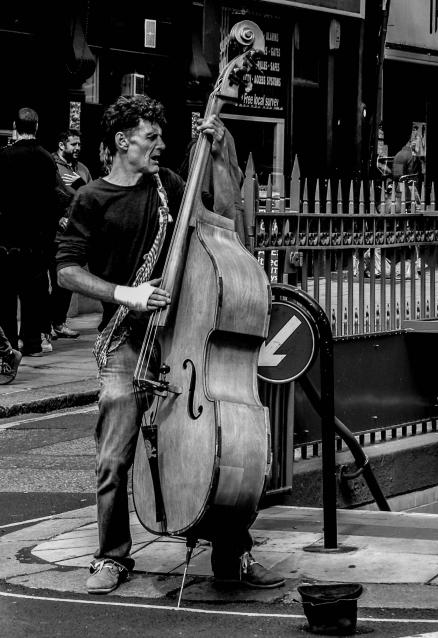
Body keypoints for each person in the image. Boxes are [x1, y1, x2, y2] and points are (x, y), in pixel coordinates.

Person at [56, 94, 285, 595]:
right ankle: (111, 556)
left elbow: (223, 215)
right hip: (124, 341)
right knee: (114, 453)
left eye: (162, 136)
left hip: (180, 338)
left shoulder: (169, 187)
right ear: (122, 141)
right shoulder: (91, 198)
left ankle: (233, 552)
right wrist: (125, 294)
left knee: (217, 446)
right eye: (150, 136)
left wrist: (220, 153)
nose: (161, 144)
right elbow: (67, 269)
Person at [0, 107, 62, 356]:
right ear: (36, 127)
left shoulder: (3, 157)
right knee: (33, 295)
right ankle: (33, 343)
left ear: (15, 126)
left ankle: (10, 345)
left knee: (5, 295)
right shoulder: (47, 159)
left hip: (7, 239)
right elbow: (55, 197)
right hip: (38, 239)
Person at [49, 129, 92, 339]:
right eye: (73, 144)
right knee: (50, 280)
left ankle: (58, 322)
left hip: (74, 235)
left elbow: (90, 197)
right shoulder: (51, 165)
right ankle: (45, 324)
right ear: (61, 145)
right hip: (53, 234)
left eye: (79, 144)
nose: (77, 148)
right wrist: (57, 217)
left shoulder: (82, 169)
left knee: (66, 283)